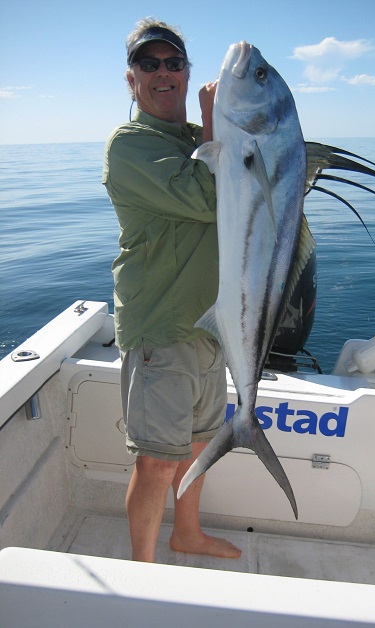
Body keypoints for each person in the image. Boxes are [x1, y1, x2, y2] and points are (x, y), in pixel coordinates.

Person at [103, 17, 241, 563]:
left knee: (200, 444)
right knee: (157, 460)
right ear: (131, 78)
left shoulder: (193, 139)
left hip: (211, 324)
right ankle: (142, 571)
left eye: (173, 62)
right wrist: (214, 121)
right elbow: (210, 196)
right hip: (161, 328)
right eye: (149, 63)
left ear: (186, 71)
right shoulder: (131, 146)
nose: (163, 72)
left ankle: (187, 534)